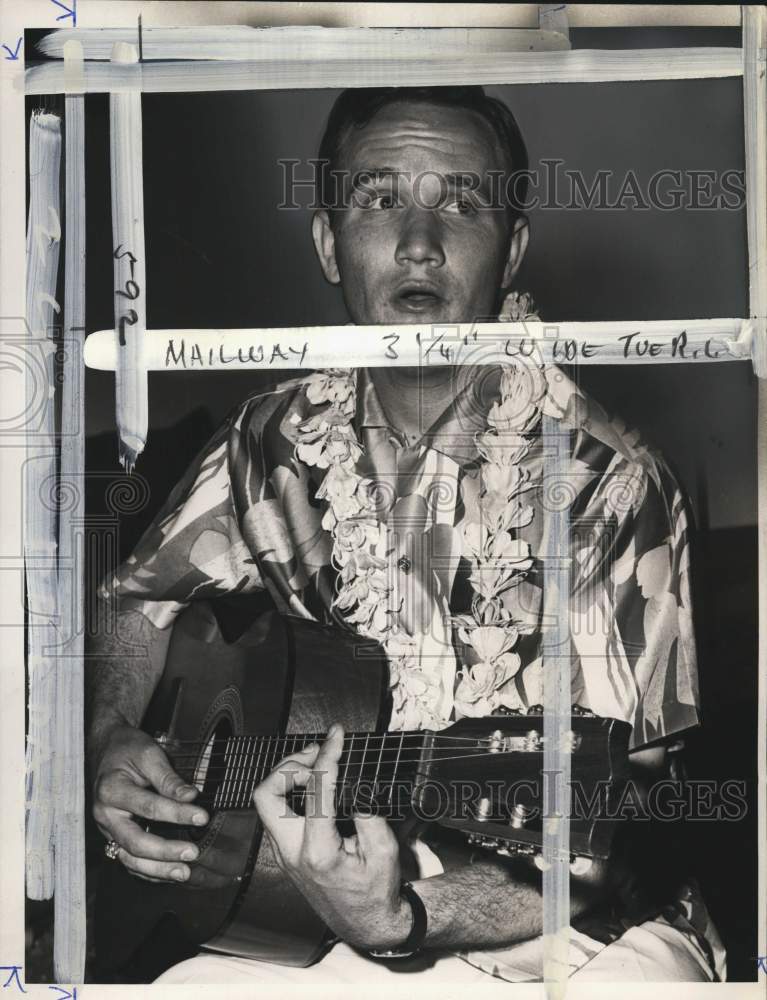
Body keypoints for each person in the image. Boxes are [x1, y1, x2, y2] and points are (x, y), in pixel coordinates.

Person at [87, 86, 725, 983]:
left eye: (461, 204)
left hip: (567, 928)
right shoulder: (265, 437)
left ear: (512, 250)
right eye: (380, 200)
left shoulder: (608, 482)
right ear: (326, 244)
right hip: (302, 901)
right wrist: (112, 735)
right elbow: (136, 604)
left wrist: (401, 918)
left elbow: (612, 828)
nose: (418, 243)